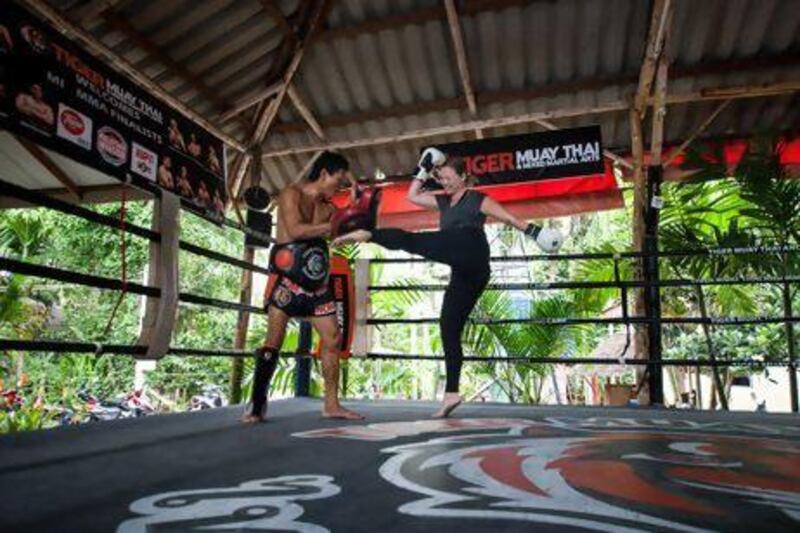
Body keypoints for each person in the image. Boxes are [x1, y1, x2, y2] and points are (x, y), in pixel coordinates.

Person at [333, 148, 563, 418]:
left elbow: (510, 219)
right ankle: (452, 393)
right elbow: (412, 196)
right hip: (463, 272)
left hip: (472, 252)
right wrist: (424, 167)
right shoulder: (442, 202)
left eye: (449, 178)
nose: (445, 183)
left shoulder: (477, 199)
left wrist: (538, 233)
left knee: (416, 241)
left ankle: (368, 234)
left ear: (464, 177)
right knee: (448, 326)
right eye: (441, 179)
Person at [242, 151, 364, 423]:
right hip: (287, 281)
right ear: (323, 174)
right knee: (273, 341)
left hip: (317, 286)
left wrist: (354, 209)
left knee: (332, 339)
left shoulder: (330, 208)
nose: (340, 186)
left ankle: (331, 405)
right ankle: (257, 404)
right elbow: (296, 231)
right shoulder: (290, 193)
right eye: (338, 179)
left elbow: (337, 233)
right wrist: (333, 224)